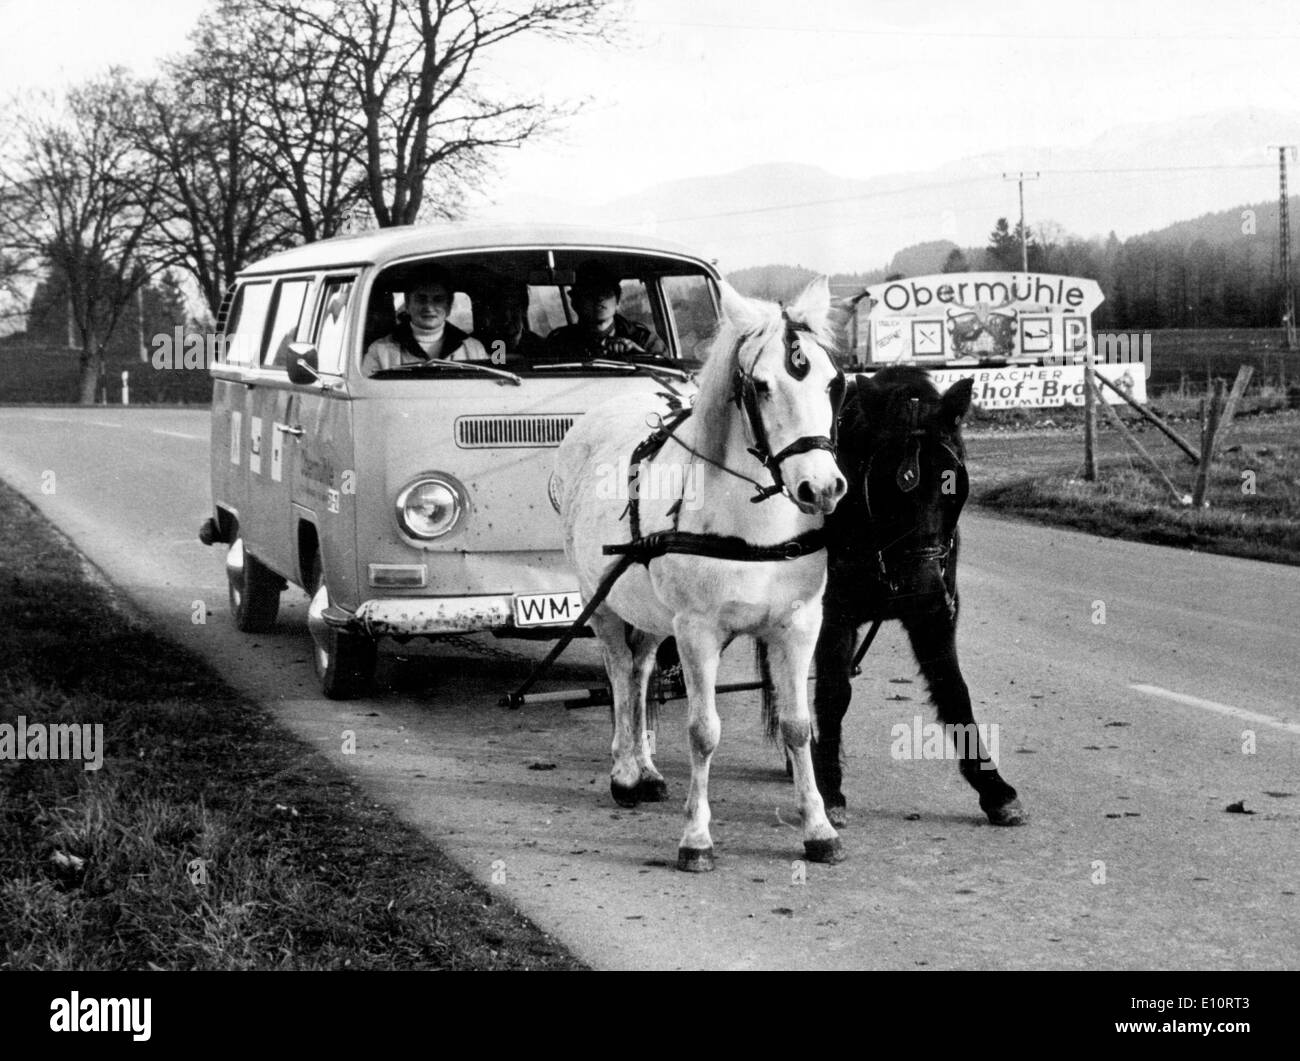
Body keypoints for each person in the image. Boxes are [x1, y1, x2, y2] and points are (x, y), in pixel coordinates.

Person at [363, 264, 486, 374]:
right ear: (407, 303)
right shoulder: (379, 350)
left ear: (448, 306)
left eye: (438, 299)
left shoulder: (474, 348)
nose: (429, 307)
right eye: (421, 299)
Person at [543, 259, 667, 361]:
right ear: (575, 302)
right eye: (590, 293)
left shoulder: (642, 339)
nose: (599, 298)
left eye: (606, 292)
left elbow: (669, 376)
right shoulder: (559, 342)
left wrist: (640, 354)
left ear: (617, 300)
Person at [477, 278, 546, 364]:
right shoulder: (476, 347)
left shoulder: (541, 346)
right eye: (500, 308)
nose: (507, 317)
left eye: (514, 308)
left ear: (524, 309)